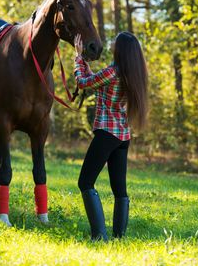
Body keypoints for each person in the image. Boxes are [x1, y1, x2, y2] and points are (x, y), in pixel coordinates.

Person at [74, 31, 148, 241]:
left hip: (107, 134)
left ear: (121, 50)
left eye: (115, 43)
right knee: (119, 190)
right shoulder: (133, 74)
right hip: (123, 136)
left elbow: (83, 83)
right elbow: (95, 80)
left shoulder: (112, 72)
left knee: (86, 182)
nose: (112, 45)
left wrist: (78, 58)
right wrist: (86, 67)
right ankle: (119, 238)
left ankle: (99, 236)